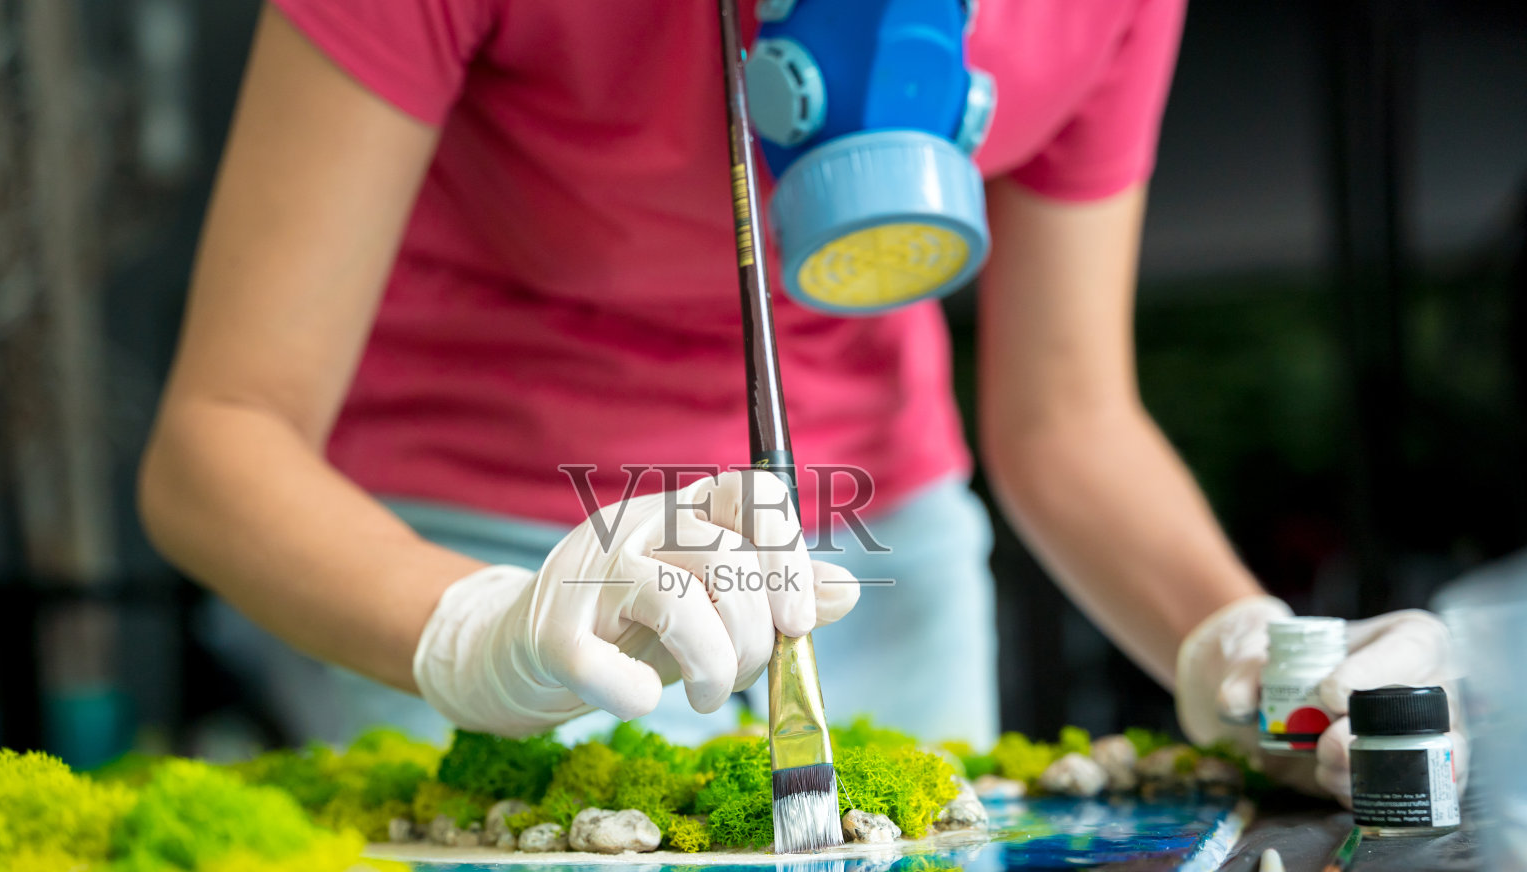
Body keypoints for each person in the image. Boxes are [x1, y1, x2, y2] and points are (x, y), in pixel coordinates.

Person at [139, 0, 1458, 802]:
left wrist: (1251, 660)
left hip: (874, 556)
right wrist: (474, 633)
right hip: (458, 548)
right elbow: (219, 438)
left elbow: (1067, 419)